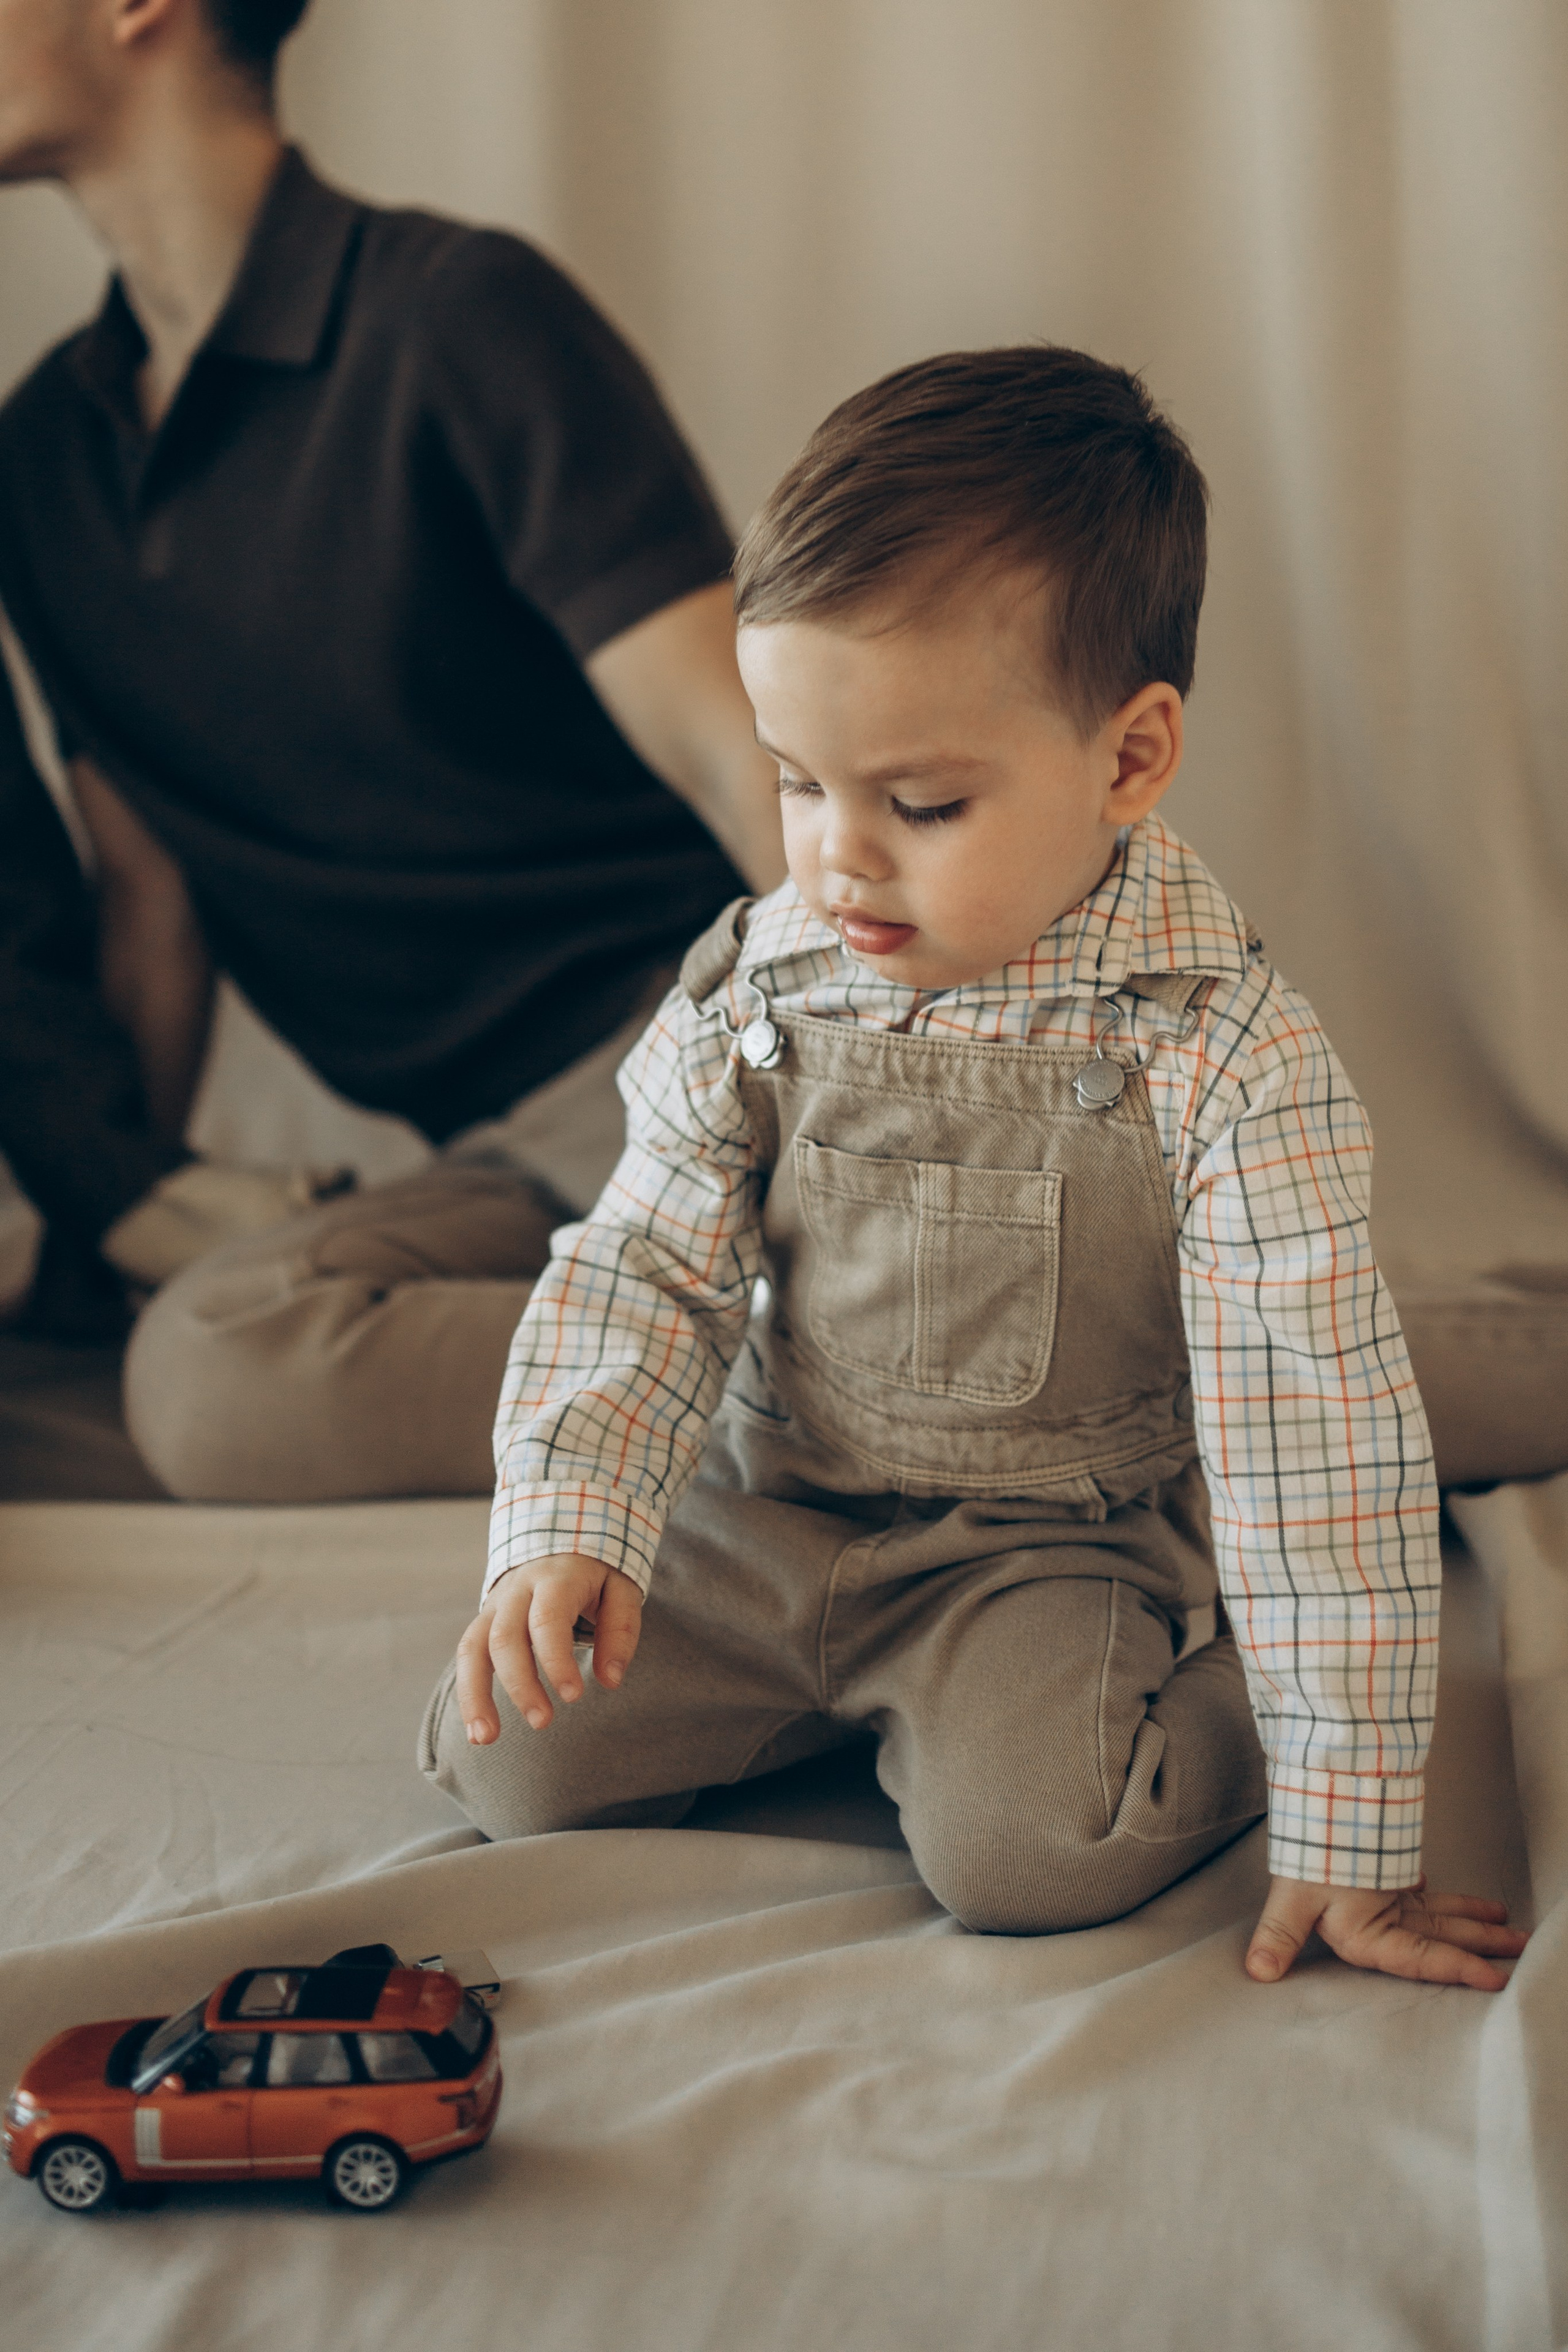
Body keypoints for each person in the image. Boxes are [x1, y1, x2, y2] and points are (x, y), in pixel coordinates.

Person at [422, 347, 1528, 1983]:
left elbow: (1308, 1439)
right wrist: (570, 1521)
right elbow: (644, 1268)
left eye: (922, 802)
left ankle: (1225, 1685)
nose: (836, 858)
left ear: (1128, 761)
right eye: (798, 783)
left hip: (1040, 1550)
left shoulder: (1221, 1054)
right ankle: (838, 1697)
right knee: (507, 1756)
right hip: (777, 1507)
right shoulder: (764, 984)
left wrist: (1344, 1816)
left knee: (1029, 1853)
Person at [0, 0, 783, 1496]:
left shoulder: (458, 314)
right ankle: (820, 1369)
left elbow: (734, 753)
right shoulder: (44, 463)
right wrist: (112, 1237)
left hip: (704, 1058)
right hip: (503, 1165)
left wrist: (889, 1118)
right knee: (189, 1369)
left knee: (212, 1378)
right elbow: (152, 908)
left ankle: (888, 1352)